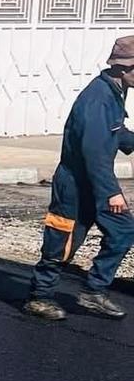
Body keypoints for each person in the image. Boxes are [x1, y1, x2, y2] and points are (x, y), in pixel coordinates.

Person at [24, 35, 134, 320]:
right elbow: (93, 153)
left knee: (123, 230)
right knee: (63, 241)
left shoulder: (116, 90)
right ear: (125, 67)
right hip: (75, 184)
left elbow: (113, 131)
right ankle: (40, 297)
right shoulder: (98, 98)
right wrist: (112, 192)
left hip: (97, 182)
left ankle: (94, 291)